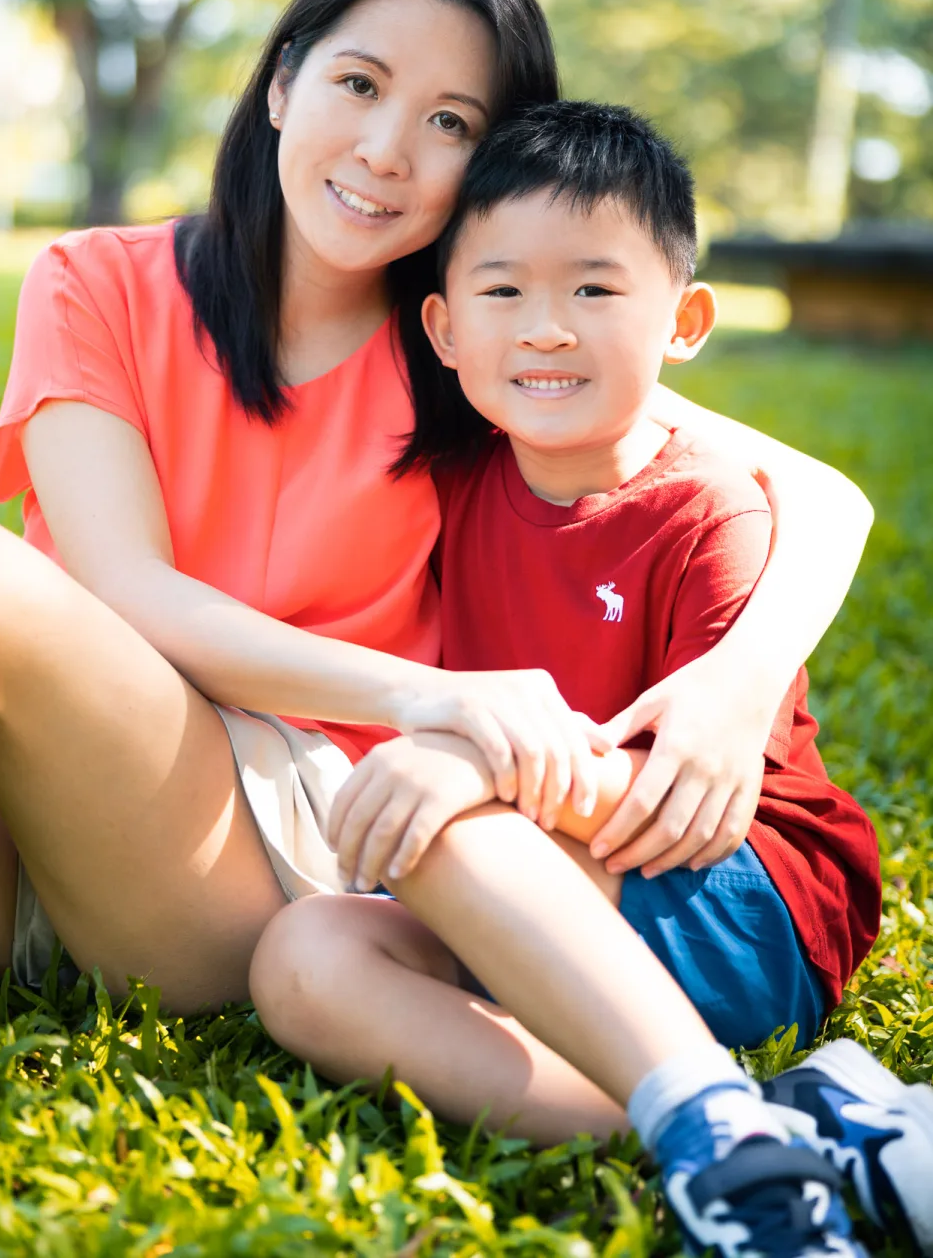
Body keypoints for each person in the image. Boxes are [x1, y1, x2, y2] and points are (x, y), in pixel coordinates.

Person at [0, 0, 872, 1010]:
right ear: (282, 83)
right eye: (357, 83)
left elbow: (812, 494)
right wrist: (431, 694)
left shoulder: (471, 347)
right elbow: (124, 589)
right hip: (31, 825)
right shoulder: (97, 282)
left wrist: (735, 683)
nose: (385, 149)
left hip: (269, 844)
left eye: (447, 123)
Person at [250, 103, 933, 1258]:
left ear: (684, 321)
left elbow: (691, 799)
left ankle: (731, 1135)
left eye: (595, 291)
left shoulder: (711, 507)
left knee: (449, 835)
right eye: (503, 292)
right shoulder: (451, 485)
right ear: (444, 326)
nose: (546, 331)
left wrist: (473, 763)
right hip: (547, 890)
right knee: (305, 959)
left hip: (742, 891)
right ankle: (763, 1135)